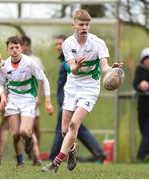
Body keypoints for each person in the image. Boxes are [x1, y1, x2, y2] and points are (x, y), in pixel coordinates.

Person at [41, 9, 122, 173]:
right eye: (81, 24)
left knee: (73, 124)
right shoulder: (67, 44)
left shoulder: (98, 43)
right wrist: (76, 66)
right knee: (65, 130)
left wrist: (111, 71)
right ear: (74, 25)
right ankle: (72, 150)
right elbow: (72, 69)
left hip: (90, 88)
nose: (84, 27)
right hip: (72, 87)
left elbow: (104, 66)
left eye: (87, 24)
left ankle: (55, 163)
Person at [49, 34, 106, 163]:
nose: (58, 46)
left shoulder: (68, 61)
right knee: (72, 129)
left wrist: (75, 66)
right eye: (56, 44)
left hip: (72, 98)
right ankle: (97, 152)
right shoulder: (64, 59)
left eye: (60, 43)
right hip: (67, 99)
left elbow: (70, 68)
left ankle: (54, 156)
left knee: (67, 129)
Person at [0, 36, 54, 166]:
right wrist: (2, 97)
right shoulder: (5, 65)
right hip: (13, 100)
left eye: (17, 47)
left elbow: (44, 80)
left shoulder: (30, 63)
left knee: (24, 131)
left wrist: (47, 101)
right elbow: (1, 82)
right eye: (11, 48)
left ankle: (29, 141)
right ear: (7, 50)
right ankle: (20, 161)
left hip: (29, 99)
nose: (14, 50)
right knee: (16, 134)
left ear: (21, 48)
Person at [21, 35, 44, 165]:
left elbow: (40, 79)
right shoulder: (16, 60)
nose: (21, 48)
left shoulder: (36, 60)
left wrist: (39, 96)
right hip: (20, 98)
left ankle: (37, 154)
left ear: (28, 45)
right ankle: (28, 154)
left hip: (33, 97)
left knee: (35, 127)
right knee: (22, 129)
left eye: (23, 45)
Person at [0, 52, 9, 165]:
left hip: (2, 94)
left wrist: (1, 61)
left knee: (5, 125)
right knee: (5, 126)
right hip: (3, 94)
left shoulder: (2, 62)